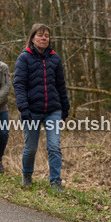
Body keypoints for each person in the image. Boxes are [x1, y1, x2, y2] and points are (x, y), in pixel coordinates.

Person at [13, 24, 69, 191]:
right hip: (32, 111)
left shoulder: (55, 58)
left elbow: (61, 85)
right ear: (33, 38)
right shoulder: (24, 58)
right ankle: (27, 174)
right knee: (31, 148)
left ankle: (55, 182)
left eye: (46, 36)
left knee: (54, 146)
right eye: (40, 35)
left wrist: (65, 108)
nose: (44, 38)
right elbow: (19, 84)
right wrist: (23, 108)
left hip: (53, 110)